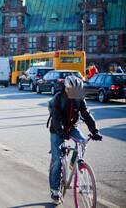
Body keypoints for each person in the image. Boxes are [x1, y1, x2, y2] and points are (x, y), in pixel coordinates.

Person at [48, 76, 103, 204]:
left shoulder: (79, 97)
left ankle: (74, 163)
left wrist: (95, 131)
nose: (75, 93)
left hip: (71, 127)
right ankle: (55, 191)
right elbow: (55, 118)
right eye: (72, 90)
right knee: (57, 159)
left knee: (82, 141)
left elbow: (86, 114)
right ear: (66, 89)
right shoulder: (58, 98)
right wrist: (61, 132)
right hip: (57, 129)